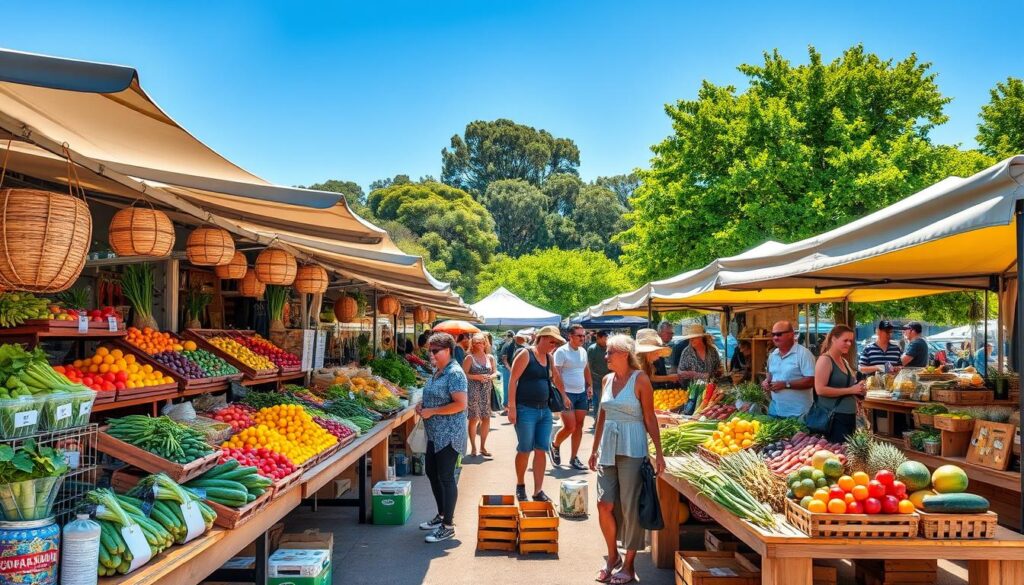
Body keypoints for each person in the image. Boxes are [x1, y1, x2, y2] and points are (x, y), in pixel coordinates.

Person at [589, 334, 665, 585]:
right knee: (604, 503)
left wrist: (659, 452)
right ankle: (613, 556)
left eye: (611, 352)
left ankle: (629, 564)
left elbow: (650, 417)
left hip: (633, 447)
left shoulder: (640, 380)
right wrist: (593, 449)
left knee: (631, 506)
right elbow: (601, 414)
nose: (606, 356)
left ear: (624, 354)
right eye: (607, 352)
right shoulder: (607, 379)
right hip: (608, 447)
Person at [507, 325, 571, 502]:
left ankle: (538, 490)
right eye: (552, 341)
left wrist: (564, 395)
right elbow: (513, 380)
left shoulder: (549, 358)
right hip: (525, 409)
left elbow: (556, 378)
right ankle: (520, 485)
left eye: (556, 343)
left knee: (541, 449)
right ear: (542, 338)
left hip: (544, 411)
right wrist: (512, 407)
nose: (554, 345)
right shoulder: (526, 354)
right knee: (525, 448)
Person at [415, 332, 468, 543]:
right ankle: (442, 514)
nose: (431, 354)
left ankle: (448, 526)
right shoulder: (439, 371)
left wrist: (434, 411)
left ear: (448, 350)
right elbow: (435, 395)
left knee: (446, 477)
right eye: (430, 350)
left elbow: (460, 404)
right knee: (432, 472)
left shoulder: (455, 373)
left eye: (435, 351)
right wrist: (423, 406)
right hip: (435, 434)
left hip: (449, 434)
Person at [813, 325, 867, 443]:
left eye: (850, 341)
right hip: (834, 418)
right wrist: (851, 390)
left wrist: (859, 391)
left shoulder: (844, 361)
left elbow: (848, 387)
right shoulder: (825, 360)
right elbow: (820, 390)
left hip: (849, 416)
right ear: (833, 339)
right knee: (837, 454)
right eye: (845, 340)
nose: (848, 344)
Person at [551, 324, 593, 470]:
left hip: (581, 393)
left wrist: (589, 386)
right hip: (567, 393)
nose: (583, 338)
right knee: (570, 427)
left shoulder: (583, 351)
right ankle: (555, 445)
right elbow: (556, 375)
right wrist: (563, 395)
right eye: (579, 335)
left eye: (584, 335)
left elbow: (586, 369)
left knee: (579, 426)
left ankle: (573, 458)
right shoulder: (561, 352)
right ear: (570, 336)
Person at [763, 320, 816, 418]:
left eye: (779, 334)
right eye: (773, 334)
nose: (775, 337)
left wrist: (786, 384)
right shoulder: (773, 355)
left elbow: (811, 381)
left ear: (791, 334)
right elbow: (770, 375)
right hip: (775, 410)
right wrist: (767, 382)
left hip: (798, 414)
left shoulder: (804, 354)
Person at [463, 333, 497, 457]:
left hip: (486, 391)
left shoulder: (490, 357)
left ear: (485, 342)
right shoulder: (469, 358)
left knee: (486, 418)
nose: (479, 344)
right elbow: (464, 374)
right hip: (473, 391)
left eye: (481, 342)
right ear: (473, 344)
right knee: (474, 418)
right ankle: (473, 447)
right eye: (476, 342)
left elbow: (495, 372)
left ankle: (483, 446)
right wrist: (477, 377)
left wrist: (490, 376)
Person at [500, 331, 527, 415]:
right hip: (507, 369)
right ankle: (506, 408)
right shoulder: (508, 345)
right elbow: (504, 359)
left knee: (514, 387)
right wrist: (511, 369)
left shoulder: (520, 346)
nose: (522, 340)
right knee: (507, 388)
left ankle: (512, 406)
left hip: (514, 369)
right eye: (521, 338)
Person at [650, 321, 680, 389]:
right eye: (669, 333)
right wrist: (669, 378)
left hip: (660, 390)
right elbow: (651, 376)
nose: (671, 336)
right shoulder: (652, 350)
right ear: (660, 333)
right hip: (652, 390)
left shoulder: (661, 347)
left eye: (672, 333)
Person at [587, 330, 611, 417]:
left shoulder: (609, 348)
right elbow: (588, 366)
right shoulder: (592, 349)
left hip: (609, 379)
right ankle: (597, 420)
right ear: (599, 338)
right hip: (596, 380)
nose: (607, 340)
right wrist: (590, 382)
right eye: (605, 338)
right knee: (597, 401)